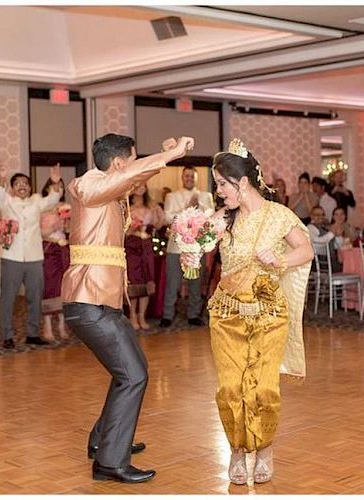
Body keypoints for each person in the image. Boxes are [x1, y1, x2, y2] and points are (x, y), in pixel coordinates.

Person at [62, 133, 195, 484]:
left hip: (101, 301)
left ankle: (103, 440)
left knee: (133, 371)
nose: (134, 168)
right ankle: (109, 462)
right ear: (119, 163)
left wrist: (160, 155)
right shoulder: (86, 186)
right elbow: (126, 178)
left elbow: (128, 178)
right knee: (133, 375)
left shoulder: (109, 188)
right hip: (88, 301)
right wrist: (168, 157)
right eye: (132, 161)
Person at [182, 139, 313, 485]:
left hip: (269, 314)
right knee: (229, 388)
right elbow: (195, 245)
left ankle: (265, 448)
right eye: (217, 185)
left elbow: (306, 250)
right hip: (227, 314)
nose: (219, 191)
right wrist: (192, 246)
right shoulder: (223, 218)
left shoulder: (278, 215)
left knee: (264, 389)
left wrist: (281, 259)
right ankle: (237, 451)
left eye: (222, 184)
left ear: (242, 183)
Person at [0, 164, 62, 349]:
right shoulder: (6, 202)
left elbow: (53, 200)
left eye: (25, 183)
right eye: (17, 183)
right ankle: (7, 335)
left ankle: (33, 334)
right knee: (8, 298)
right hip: (11, 256)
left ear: (30, 187)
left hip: (34, 257)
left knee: (35, 298)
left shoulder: (37, 201)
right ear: (12, 188)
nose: (22, 186)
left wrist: (55, 183)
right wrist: (2, 178)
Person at [160, 166, 215, 328]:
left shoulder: (206, 196)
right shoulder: (172, 196)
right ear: (182, 178)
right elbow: (168, 218)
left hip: (197, 248)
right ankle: (167, 315)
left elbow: (209, 218)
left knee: (195, 283)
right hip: (175, 247)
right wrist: (187, 209)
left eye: (192, 176)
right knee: (172, 282)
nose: (189, 178)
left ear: (196, 178)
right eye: (187, 176)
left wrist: (199, 209)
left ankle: (193, 314)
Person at [125, 182, 165, 330]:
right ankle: (132, 316)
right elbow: (121, 231)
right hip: (131, 245)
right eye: (138, 184)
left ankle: (142, 315)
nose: (141, 187)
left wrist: (159, 215)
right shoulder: (126, 207)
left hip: (147, 244)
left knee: (147, 279)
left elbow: (159, 225)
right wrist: (131, 228)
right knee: (135, 281)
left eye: (144, 184)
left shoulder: (151, 206)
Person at [40, 177, 71, 342]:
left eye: (60, 187)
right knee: (49, 287)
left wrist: (66, 225)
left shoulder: (66, 207)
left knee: (63, 287)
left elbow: (71, 229)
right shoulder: (41, 207)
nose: (58, 190)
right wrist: (54, 225)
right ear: (47, 189)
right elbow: (37, 232)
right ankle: (47, 325)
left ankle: (61, 324)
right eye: (54, 187)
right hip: (48, 248)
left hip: (63, 248)